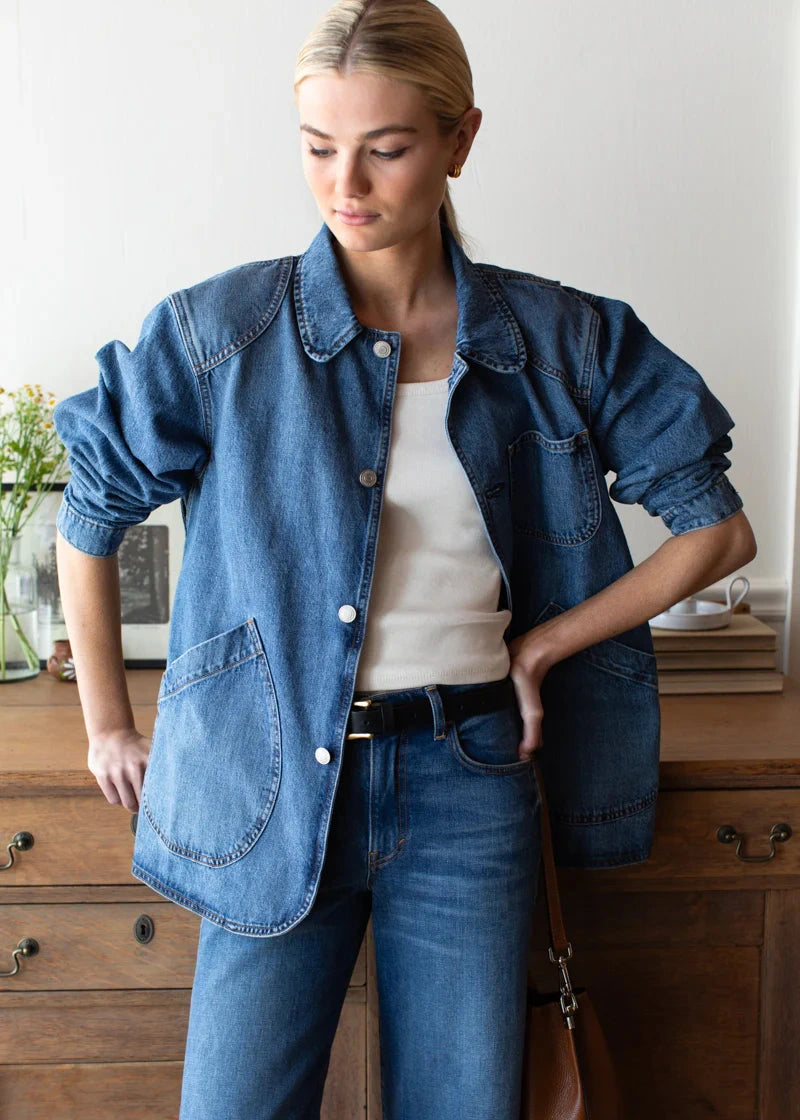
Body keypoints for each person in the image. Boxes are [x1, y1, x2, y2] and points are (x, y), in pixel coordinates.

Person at [53, 1, 757, 1117]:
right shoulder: (222, 333)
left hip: (469, 777)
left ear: (459, 140)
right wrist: (106, 722)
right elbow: (87, 511)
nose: (347, 185)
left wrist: (542, 647)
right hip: (269, 778)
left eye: (385, 149)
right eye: (318, 148)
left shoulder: (561, 339)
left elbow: (717, 530)